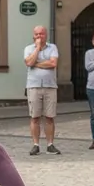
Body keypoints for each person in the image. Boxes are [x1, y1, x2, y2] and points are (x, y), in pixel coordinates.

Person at [24, 25, 60, 155]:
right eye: (37, 34)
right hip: (33, 86)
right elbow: (28, 63)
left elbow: (53, 64)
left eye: (42, 34)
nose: (39, 36)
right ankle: (36, 144)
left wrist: (36, 63)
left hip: (50, 86)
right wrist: (38, 48)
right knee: (35, 117)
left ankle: (50, 144)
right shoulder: (28, 48)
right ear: (33, 36)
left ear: (46, 35)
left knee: (50, 117)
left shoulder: (53, 47)